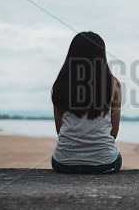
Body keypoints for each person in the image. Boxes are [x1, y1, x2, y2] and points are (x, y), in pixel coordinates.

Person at [51, 32, 122, 174]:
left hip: (63, 163)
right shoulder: (114, 84)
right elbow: (113, 133)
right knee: (116, 157)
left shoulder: (60, 85)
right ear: (102, 56)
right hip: (105, 163)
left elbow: (60, 130)